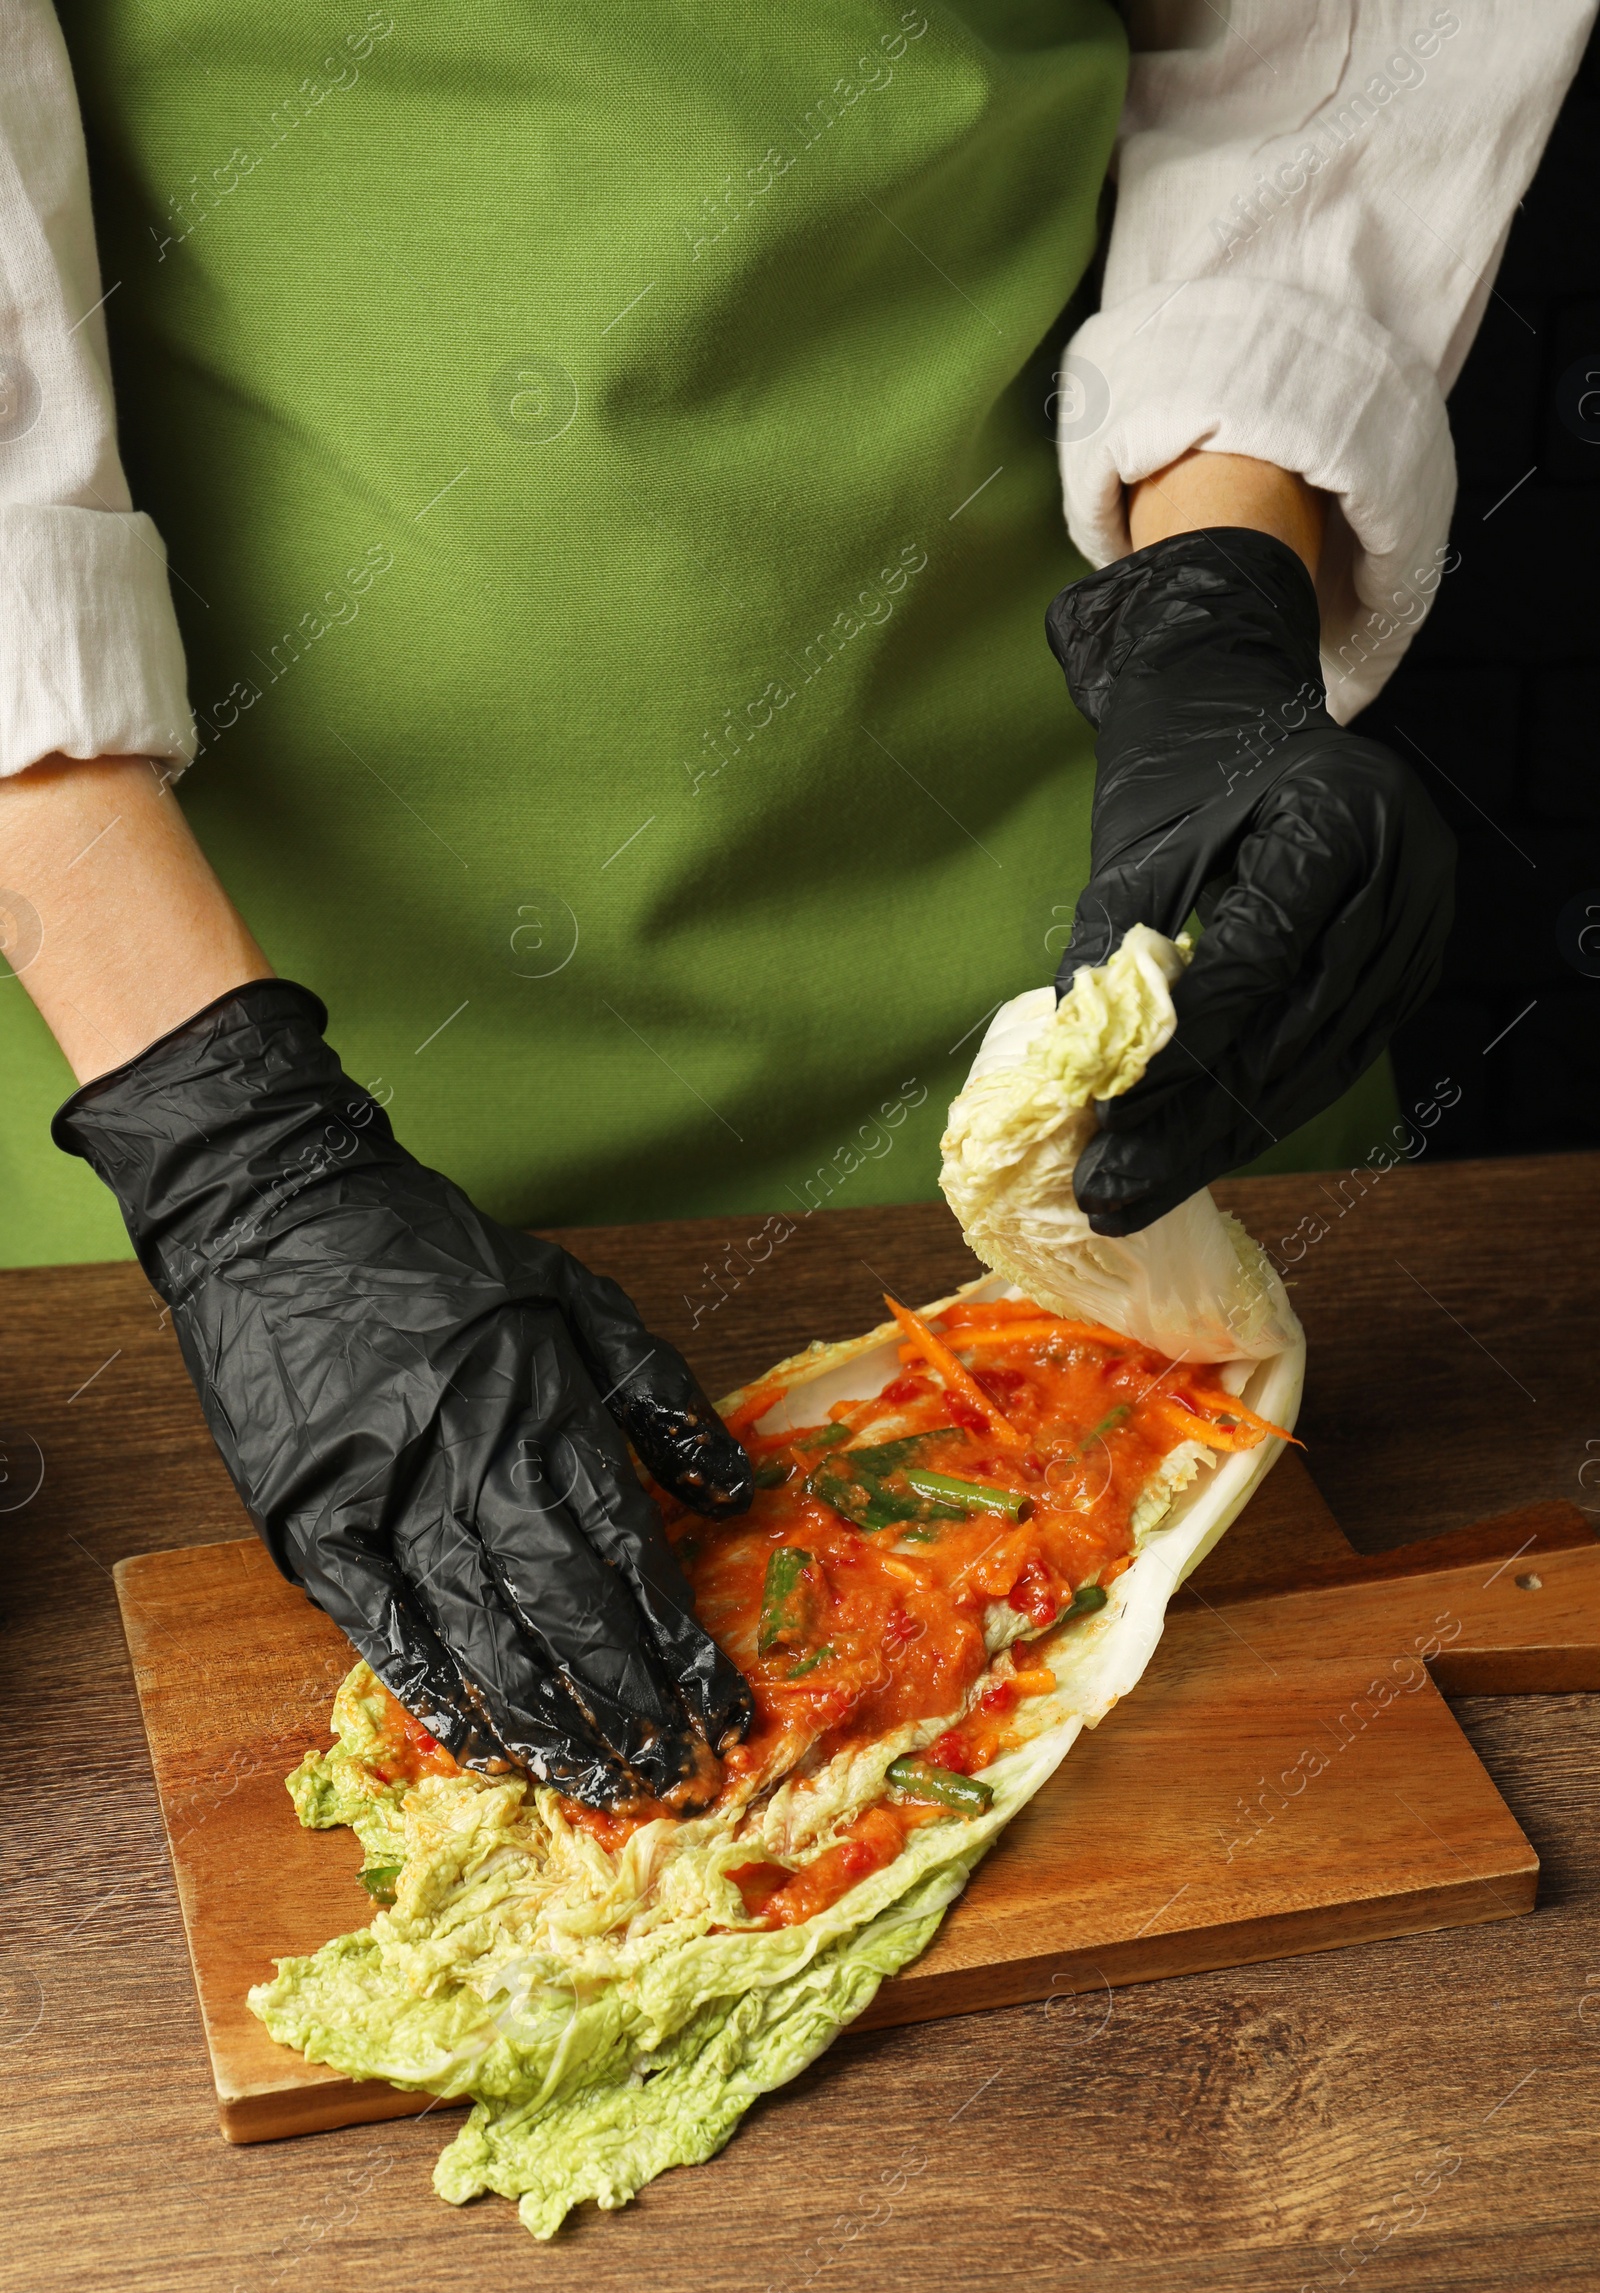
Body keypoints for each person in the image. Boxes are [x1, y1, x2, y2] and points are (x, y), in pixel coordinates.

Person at [2, 0, 1591, 1805]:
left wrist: (1220, 597)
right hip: (175, 981)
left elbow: (1329, 58)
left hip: (1064, 902)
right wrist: (230, 1150)